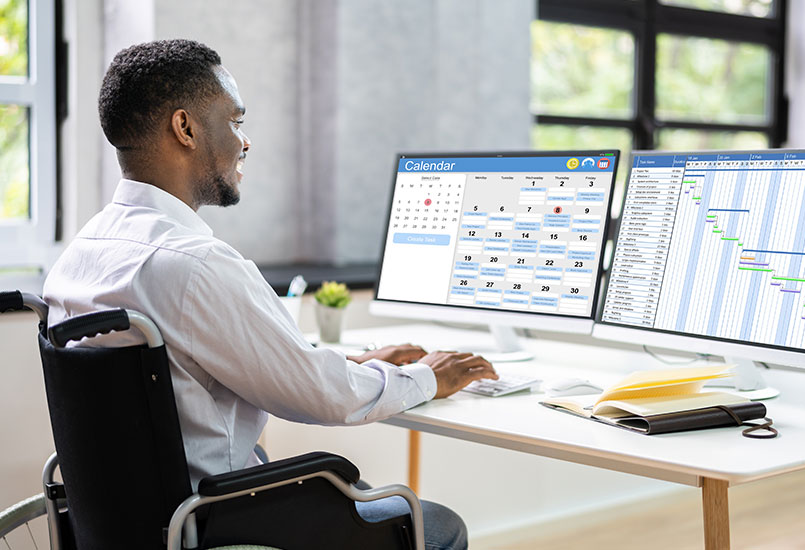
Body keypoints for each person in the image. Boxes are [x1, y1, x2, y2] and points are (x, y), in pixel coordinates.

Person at [43, 39, 497, 550]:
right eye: (235, 121)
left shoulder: (76, 261)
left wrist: (354, 361)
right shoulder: (195, 265)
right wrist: (425, 377)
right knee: (436, 526)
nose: (245, 141)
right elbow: (328, 398)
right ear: (185, 128)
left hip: (131, 528)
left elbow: (209, 372)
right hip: (220, 523)